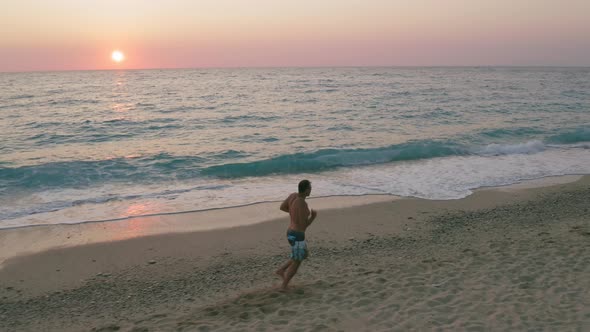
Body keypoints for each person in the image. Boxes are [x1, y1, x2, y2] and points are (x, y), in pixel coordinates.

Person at [275, 179, 317, 290]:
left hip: (289, 232)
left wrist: (293, 214)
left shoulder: (292, 196)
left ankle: (282, 269)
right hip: (298, 235)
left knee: (304, 254)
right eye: (310, 188)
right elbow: (303, 227)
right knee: (297, 262)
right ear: (306, 190)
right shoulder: (303, 204)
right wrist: (312, 217)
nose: (311, 190)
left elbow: (282, 207)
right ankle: (283, 286)